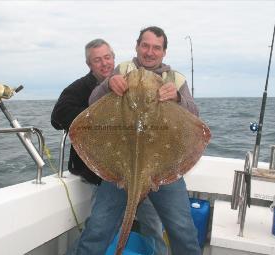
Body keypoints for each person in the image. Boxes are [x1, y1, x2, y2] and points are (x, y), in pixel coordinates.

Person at [72, 27, 201, 255]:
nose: (150, 52)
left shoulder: (176, 79)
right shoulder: (121, 71)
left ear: (164, 52)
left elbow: (194, 115)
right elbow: (93, 103)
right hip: (121, 165)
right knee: (98, 229)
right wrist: (108, 85)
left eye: (156, 48)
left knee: (183, 230)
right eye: (146, 45)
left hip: (163, 169)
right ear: (137, 46)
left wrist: (178, 97)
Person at [51, 39, 167, 254]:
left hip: (142, 171)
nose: (104, 64)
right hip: (102, 173)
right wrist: (98, 118)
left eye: (107, 58)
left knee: (154, 227)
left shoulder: (127, 81)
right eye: (97, 60)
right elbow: (58, 117)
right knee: (100, 229)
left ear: (113, 58)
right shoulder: (79, 88)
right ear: (89, 64)